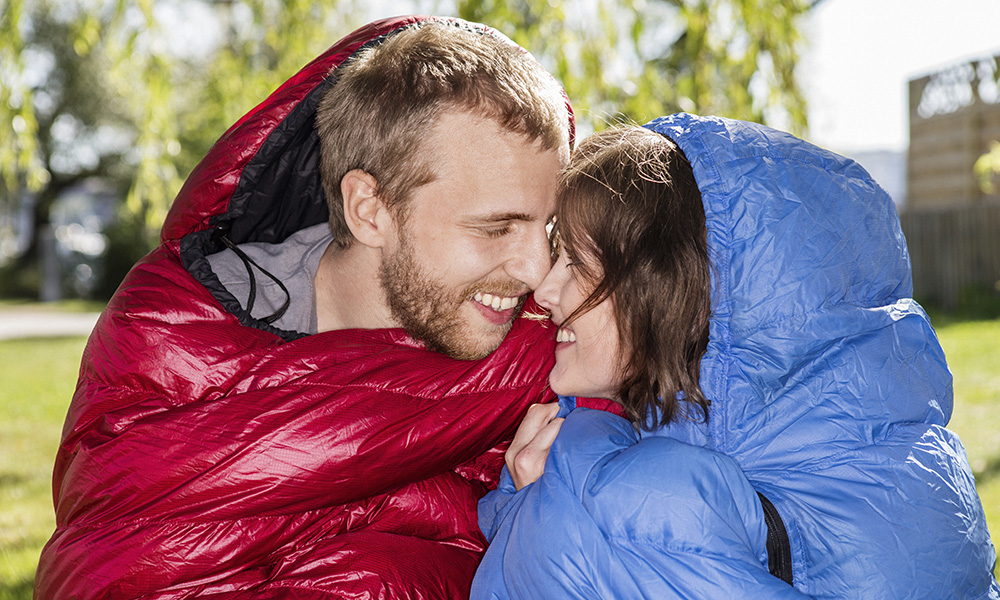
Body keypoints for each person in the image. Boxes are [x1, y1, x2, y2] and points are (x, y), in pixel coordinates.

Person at [34, 16, 573, 599]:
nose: (537, 271)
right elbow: (114, 564)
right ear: (370, 209)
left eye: (547, 227)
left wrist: (531, 512)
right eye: (496, 228)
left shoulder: (553, 356)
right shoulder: (171, 330)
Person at [472, 118, 999, 599]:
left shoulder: (612, 504)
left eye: (578, 262)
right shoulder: (917, 474)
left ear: (677, 289)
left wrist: (527, 507)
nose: (543, 288)